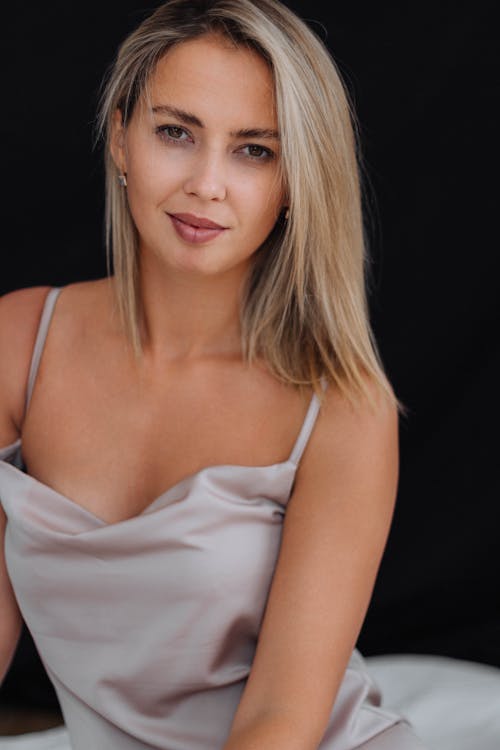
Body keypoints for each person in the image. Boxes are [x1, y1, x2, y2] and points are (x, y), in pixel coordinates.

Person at [0, 1, 427, 748]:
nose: (207, 183)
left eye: (254, 150)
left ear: (296, 180)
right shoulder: (16, 345)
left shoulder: (343, 410)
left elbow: (280, 720)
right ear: (121, 138)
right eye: (176, 132)